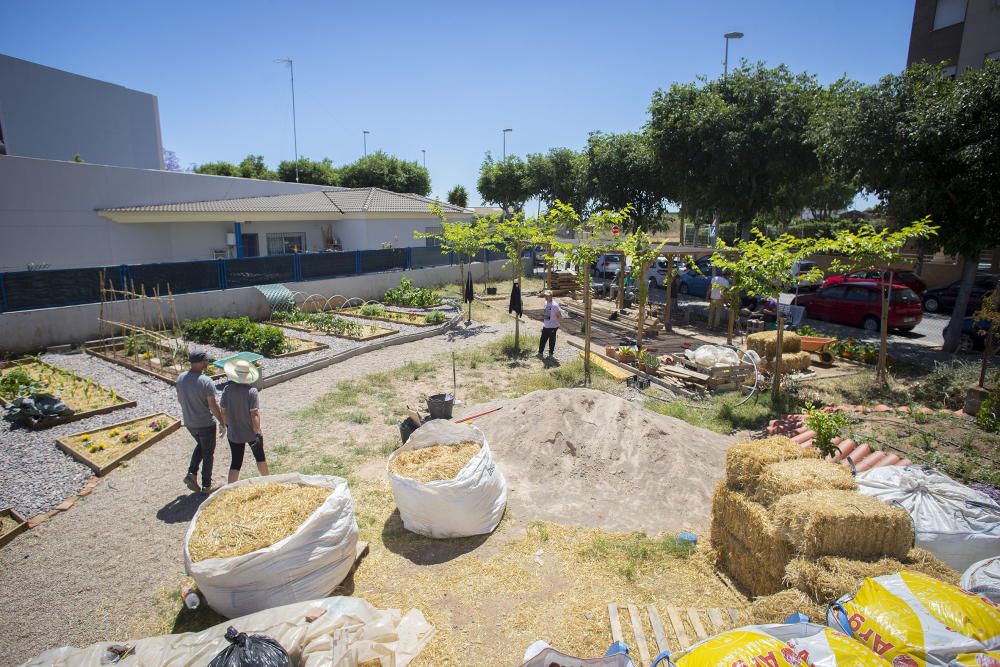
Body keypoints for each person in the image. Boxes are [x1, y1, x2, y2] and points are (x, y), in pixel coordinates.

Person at [177, 351, 223, 494]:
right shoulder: (205, 381)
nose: (207, 363)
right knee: (208, 452)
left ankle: (192, 473)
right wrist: (222, 421)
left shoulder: (180, 379)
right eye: (206, 361)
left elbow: (180, 399)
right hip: (205, 423)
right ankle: (207, 485)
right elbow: (212, 405)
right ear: (201, 362)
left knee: (201, 446)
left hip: (190, 423)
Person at [219, 359, 268, 484]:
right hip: (251, 431)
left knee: (236, 462)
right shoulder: (251, 391)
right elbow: (254, 414)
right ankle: (268, 481)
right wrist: (257, 432)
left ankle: (229, 489)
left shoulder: (227, 390)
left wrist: (228, 425)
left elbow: (223, 411)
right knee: (260, 457)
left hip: (234, 432)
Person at [537, 289, 562, 358]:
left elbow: (559, 315)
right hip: (546, 325)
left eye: (548, 296)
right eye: (545, 295)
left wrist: (554, 322)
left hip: (553, 326)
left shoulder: (554, 305)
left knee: (551, 341)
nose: (546, 297)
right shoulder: (545, 303)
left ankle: (550, 355)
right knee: (542, 340)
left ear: (551, 296)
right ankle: (540, 353)